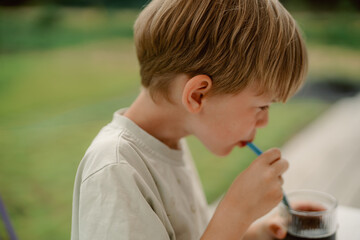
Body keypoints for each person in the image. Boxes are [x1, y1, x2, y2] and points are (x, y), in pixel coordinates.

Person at [71, 0, 308, 239]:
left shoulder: (170, 142)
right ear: (197, 95)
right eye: (262, 106)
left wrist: (251, 234)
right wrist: (236, 213)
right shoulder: (115, 170)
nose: (264, 120)